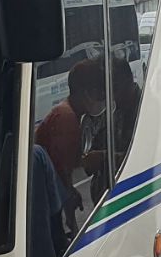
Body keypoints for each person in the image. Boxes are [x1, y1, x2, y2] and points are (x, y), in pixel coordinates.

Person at [34, 59, 107, 224]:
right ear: (85, 92)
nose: (102, 97)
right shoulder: (66, 119)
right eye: (98, 92)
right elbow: (62, 173)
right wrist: (71, 220)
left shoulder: (66, 113)